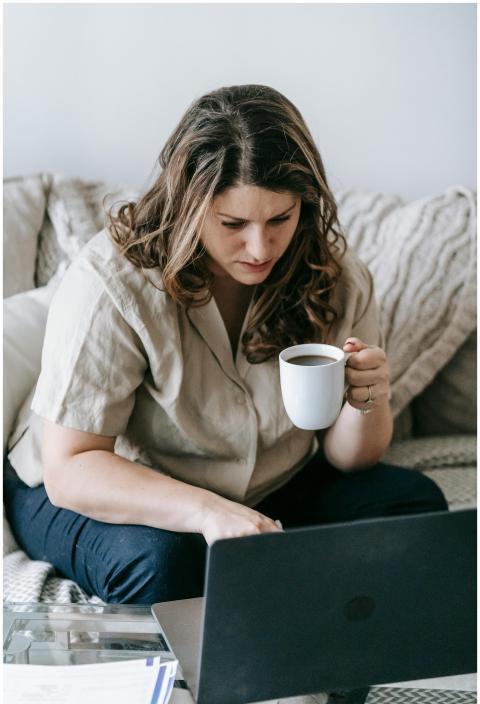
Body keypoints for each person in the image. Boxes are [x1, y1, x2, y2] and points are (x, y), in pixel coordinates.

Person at [4, 84, 447, 604]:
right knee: (162, 564)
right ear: (187, 207)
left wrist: (367, 397)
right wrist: (207, 512)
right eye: (233, 224)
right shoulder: (113, 283)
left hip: (263, 487)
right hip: (103, 487)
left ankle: (298, 624)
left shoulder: (337, 279)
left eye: (280, 219)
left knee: (412, 507)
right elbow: (71, 468)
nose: (261, 248)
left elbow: (348, 459)